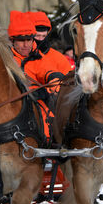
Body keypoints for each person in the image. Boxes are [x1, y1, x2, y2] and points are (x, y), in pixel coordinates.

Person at [8, 10, 64, 138]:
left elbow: (46, 70)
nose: (26, 45)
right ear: (12, 41)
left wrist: (53, 80)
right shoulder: (5, 59)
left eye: (29, 39)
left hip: (38, 106)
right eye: (21, 40)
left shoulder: (38, 57)